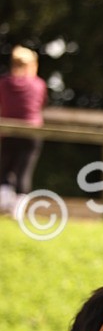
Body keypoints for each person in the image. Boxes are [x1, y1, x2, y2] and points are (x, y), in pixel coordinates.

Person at [0, 46, 47, 214]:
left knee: (5, 169)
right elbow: (40, 104)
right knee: (24, 171)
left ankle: (5, 203)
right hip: (31, 131)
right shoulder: (38, 84)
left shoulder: (4, 84)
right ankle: (17, 211)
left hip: (8, 131)